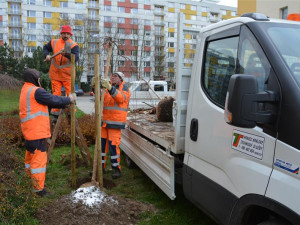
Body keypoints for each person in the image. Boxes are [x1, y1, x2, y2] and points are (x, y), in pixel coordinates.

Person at [19, 68, 76, 196]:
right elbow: (52, 99)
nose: (39, 80)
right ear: (34, 78)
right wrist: (69, 99)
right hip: (37, 132)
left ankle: (28, 182)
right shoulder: (36, 91)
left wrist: (59, 104)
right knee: (38, 161)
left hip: (29, 131)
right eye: (38, 78)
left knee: (30, 158)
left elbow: (43, 104)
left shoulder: (25, 90)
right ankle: (39, 190)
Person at [43, 25, 79, 124]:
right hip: (55, 75)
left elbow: (75, 58)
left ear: (70, 34)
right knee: (56, 95)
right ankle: (55, 116)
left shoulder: (73, 45)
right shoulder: (54, 42)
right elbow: (45, 48)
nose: (66, 35)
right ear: (61, 33)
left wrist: (66, 54)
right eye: (64, 33)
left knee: (70, 95)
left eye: (68, 34)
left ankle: (70, 114)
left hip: (68, 76)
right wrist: (47, 55)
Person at [100, 72, 130, 179]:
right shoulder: (109, 88)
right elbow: (100, 99)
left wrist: (110, 88)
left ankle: (116, 169)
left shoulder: (124, 87)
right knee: (101, 147)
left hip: (115, 123)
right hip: (104, 122)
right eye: (112, 76)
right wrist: (95, 87)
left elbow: (120, 98)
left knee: (113, 147)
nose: (113, 77)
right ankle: (100, 168)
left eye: (115, 76)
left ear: (121, 79)